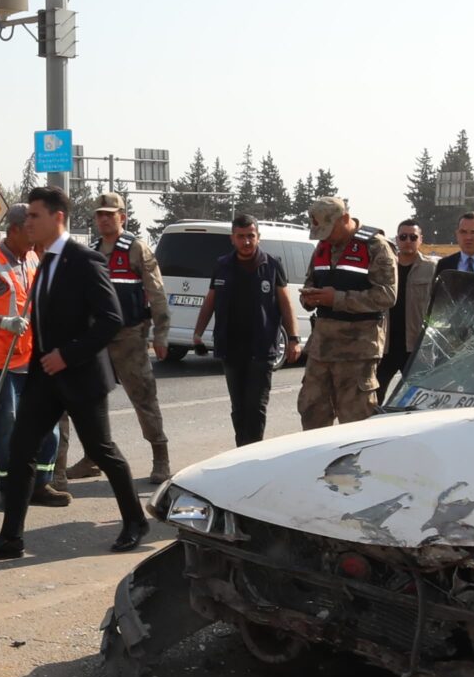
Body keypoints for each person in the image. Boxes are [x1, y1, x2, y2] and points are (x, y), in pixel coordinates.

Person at [0, 187, 149, 561]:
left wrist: (67, 356)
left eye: (34, 216)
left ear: (57, 217)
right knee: (21, 449)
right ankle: (10, 538)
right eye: (26, 216)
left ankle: (135, 521)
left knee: (102, 450)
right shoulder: (43, 260)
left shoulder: (84, 260)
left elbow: (110, 319)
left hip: (81, 376)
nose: (27, 222)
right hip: (44, 378)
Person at [0, 211, 65, 511]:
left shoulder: (31, 258)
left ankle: (40, 484)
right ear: (14, 230)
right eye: (30, 230)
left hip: (33, 359)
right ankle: (11, 488)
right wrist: (1, 322)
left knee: (47, 423)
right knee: (7, 426)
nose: (35, 236)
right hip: (0, 362)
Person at [78, 192, 171, 484]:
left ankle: (160, 457)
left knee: (143, 396)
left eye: (110, 214)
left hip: (129, 336)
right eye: (100, 214)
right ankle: (92, 456)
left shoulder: (136, 249)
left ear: (122, 217)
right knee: (90, 399)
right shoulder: (91, 251)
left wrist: (161, 334)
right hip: (97, 338)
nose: (104, 219)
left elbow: (157, 293)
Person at [190, 214, 302, 446]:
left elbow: (285, 304)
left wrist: (293, 338)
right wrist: (198, 333)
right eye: (241, 237)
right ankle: (241, 449)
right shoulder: (222, 265)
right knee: (238, 407)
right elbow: (210, 301)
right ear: (232, 239)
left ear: (258, 237)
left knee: (256, 406)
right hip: (231, 347)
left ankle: (254, 451)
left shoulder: (272, 265)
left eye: (251, 236)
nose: (246, 241)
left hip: (261, 348)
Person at [296, 195, 398, 430]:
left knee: (355, 420)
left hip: (357, 350)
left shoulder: (376, 246)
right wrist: (309, 298)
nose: (325, 237)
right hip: (321, 347)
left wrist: (337, 299)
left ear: (344, 219)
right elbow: (311, 281)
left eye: (328, 230)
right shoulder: (323, 246)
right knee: (312, 412)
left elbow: (386, 296)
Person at [377, 217, 436, 401]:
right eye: (403, 237)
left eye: (413, 237)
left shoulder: (432, 268)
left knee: (418, 398)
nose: (408, 241)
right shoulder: (385, 267)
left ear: (420, 239)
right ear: (397, 239)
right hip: (385, 345)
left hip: (415, 346)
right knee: (372, 397)